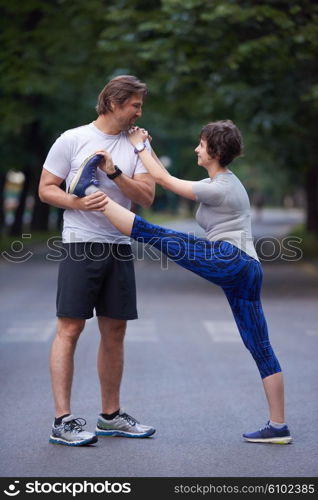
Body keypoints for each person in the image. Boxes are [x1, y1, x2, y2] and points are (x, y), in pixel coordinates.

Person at [69, 120, 292, 444]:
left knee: (155, 233)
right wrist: (144, 146)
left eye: (201, 144)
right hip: (246, 269)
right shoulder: (222, 182)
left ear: (213, 151)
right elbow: (162, 174)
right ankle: (278, 426)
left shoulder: (221, 187)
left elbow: (162, 179)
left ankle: (88, 191)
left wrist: (139, 145)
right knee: (259, 345)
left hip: (230, 260)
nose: (196, 149)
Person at [39, 75, 156, 446]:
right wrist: (76, 202)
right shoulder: (72, 139)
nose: (140, 111)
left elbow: (147, 197)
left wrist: (113, 172)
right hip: (81, 244)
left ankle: (110, 416)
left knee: (115, 332)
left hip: (119, 244)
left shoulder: (137, 144)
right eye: (135, 104)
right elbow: (45, 189)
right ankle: (63, 420)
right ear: (113, 103)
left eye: (140, 105)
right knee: (70, 329)